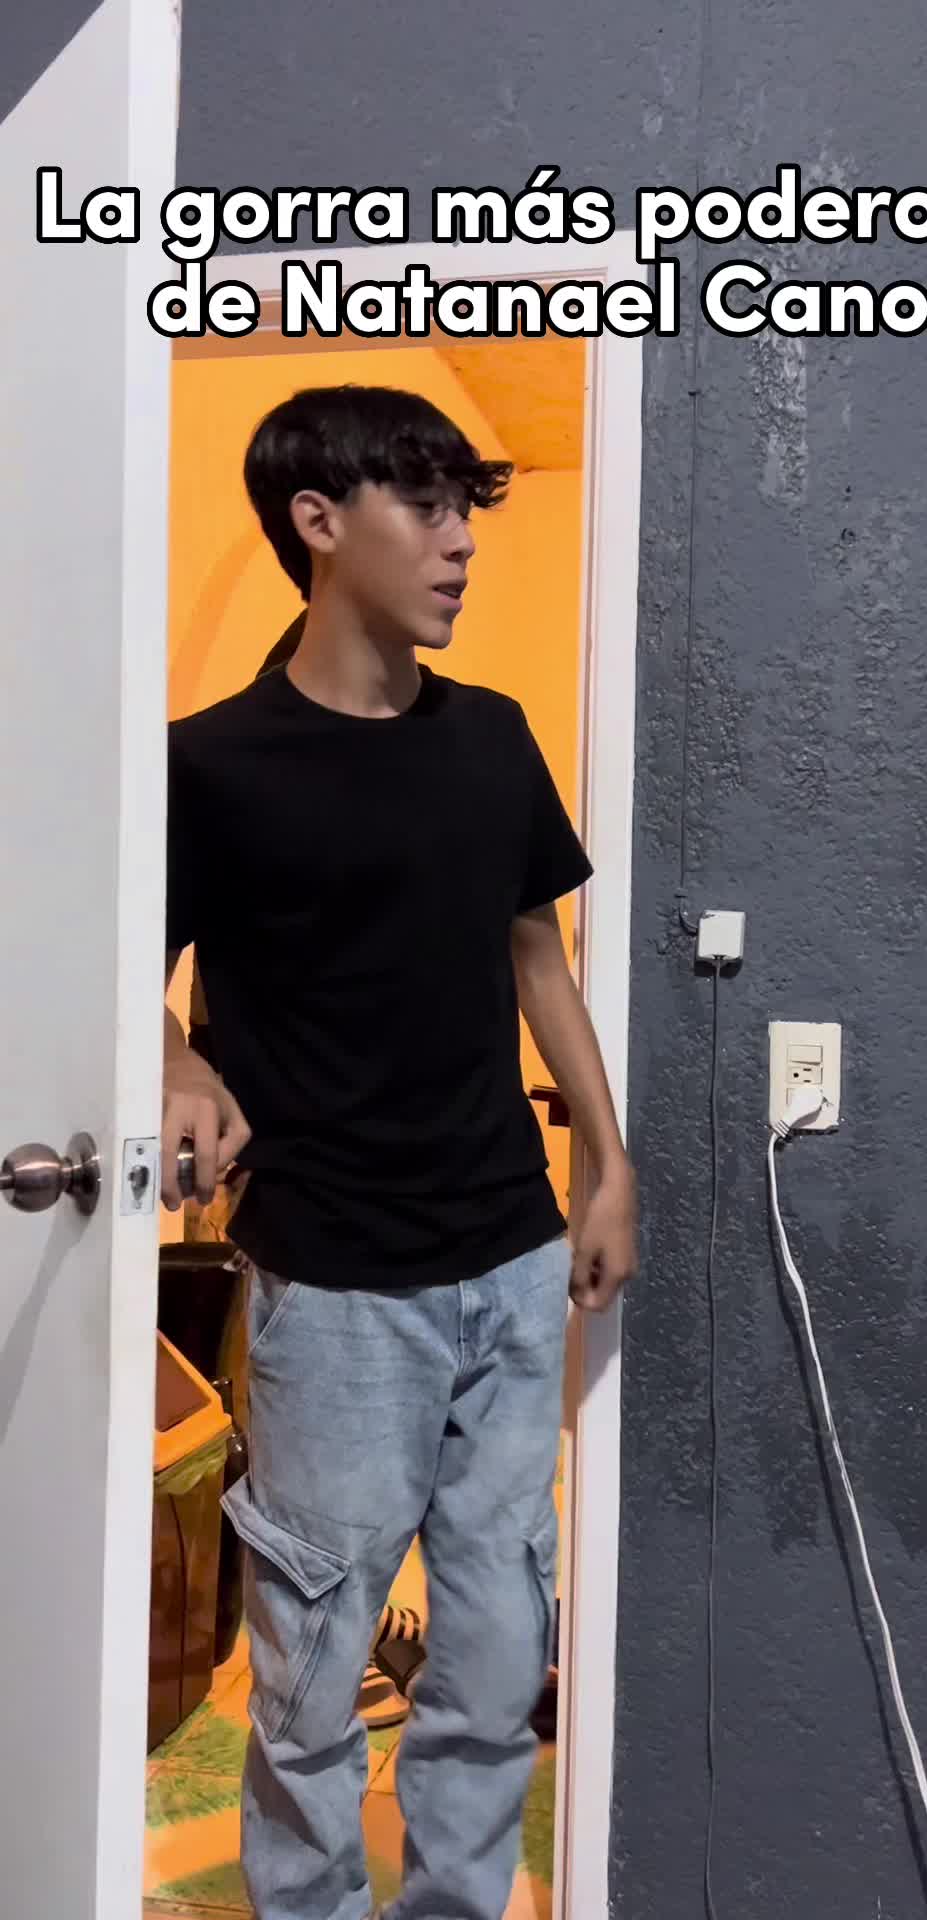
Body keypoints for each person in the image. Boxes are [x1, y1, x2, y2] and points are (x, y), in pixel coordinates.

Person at [160, 383, 638, 1920]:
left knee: (494, 1666)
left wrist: (609, 1167)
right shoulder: (207, 765)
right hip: (336, 1285)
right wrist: (173, 1055)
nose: (459, 543)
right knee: (310, 1684)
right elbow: (109, 975)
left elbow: (538, 959)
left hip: (511, 1264)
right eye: (424, 507)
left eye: (465, 511)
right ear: (318, 520)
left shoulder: (490, 739)